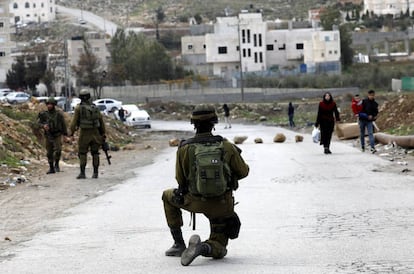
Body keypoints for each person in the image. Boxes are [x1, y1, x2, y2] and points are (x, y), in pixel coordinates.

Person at [162, 104, 249, 266]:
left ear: (193, 124)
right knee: (220, 248)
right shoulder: (226, 146)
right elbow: (243, 172)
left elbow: (180, 180)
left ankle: (178, 244)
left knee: (167, 196)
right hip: (222, 206)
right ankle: (202, 248)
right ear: (214, 122)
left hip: (194, 201)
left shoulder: (184, 148)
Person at [69, 89, 106, 179]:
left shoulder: (78, 108)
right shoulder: (95, 107)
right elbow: (101, 121)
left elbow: (74, 122)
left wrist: (71, 133)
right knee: (95, 153)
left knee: (82, 153)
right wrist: (103, 133)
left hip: (84, 133)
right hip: (96, 133)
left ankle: (82, 173)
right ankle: (95, 173)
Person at [37, 97, 68, 174]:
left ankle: (56, 164)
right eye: (48, 104)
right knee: (49, 152)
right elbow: (38, 123)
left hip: (57, 134)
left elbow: (63, 125)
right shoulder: (43, 114)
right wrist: (43, 126)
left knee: (58, 150)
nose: (49, 106)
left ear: (54, 105)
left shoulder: (58, 114)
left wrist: (65, 135)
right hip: (48, 135)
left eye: (51, 104)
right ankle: (51, 167)